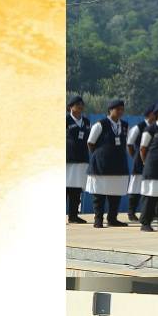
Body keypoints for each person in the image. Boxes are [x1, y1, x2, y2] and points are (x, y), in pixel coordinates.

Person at [85, 99, 131, 228]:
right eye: (118, 109)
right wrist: (99, 156)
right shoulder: (100, 124)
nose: (120, 112)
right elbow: (90, 142)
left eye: (122, 109)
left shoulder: (125, 125)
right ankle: (98, 219)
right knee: (99, 194)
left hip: (118, 164)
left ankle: (112, 218)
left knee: (115, 193)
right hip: (102, 165)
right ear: (110, 110)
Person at [65, 96, 92, 224]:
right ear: (70, 107)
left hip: (82, 159)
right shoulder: (66, 120)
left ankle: (73, 216)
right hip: (68, 159)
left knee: (76, 188)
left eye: (81, 104)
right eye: (77, 104)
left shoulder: (86, 122)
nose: (80, 106)